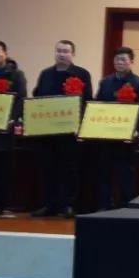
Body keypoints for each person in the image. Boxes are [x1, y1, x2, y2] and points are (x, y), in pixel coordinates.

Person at [30, 40, 92, 218]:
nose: (62, 54)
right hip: (46, 131)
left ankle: (68, 205)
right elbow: (38, 97)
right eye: (59, 51)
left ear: (73, 54)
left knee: (69, 169)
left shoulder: (82, 74)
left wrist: (81, 126)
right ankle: (49, 204)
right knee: (47, 167)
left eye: (66, 51)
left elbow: (87, 101)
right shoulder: (45, 74)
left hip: (69, 131)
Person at [92, 46, 139, 211]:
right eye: (117, 59)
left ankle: (125, 206)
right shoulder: (105, 82)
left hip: (127, 136)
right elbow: (98, 105)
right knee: (104, 171)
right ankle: (105, 205)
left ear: (131, 62)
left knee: (126, 172)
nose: (120, 62)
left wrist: (137, 128)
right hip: (107, 135)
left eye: (124, 59)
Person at [0, 40, 27, 216]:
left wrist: (12, 120)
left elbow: (20, 99)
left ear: (5, 53)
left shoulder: (16, 75)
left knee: (1, 168)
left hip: (4, 129)